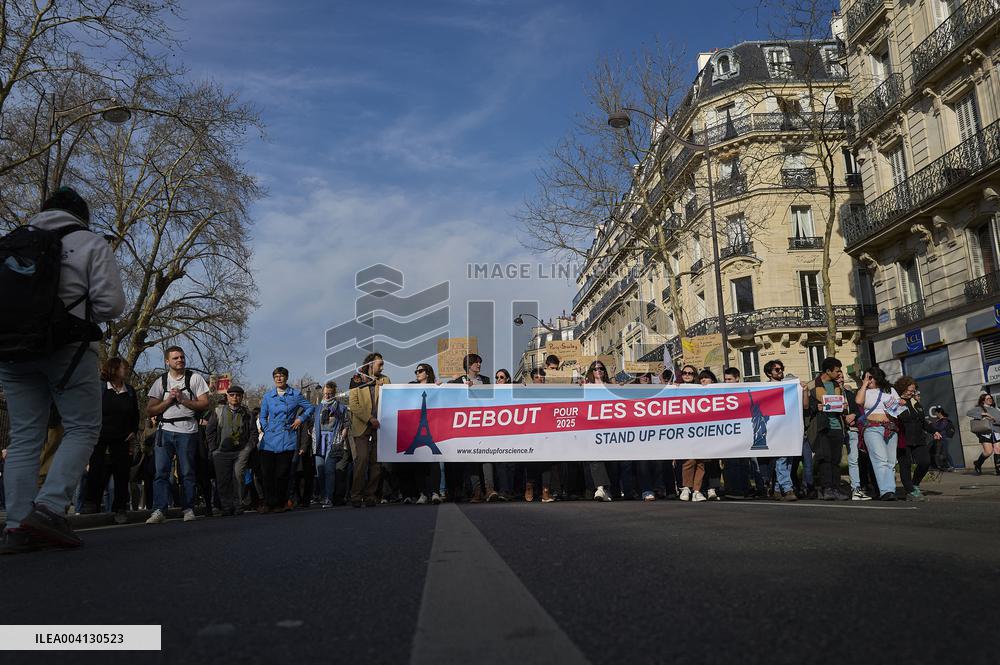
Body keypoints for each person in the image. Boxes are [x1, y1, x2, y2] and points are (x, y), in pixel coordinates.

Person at [0, 187, 125, 553]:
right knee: (83, 426)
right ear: (81, 215)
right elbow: (111, 304)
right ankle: (51, 509)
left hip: (10, 349)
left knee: (24, 437)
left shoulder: (11, 243)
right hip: (68, 349)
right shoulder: (89, 242)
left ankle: (16, 525)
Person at [145, 346, 211, 524]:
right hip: (165, 431)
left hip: (187, 431)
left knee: (187, 472)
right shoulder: (161, 381)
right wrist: (168, 400)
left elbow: (205, 404)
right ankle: (159, 509)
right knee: (161, 472)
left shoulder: (194, 378)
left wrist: (183, 400)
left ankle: (188, 508)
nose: (180, 360)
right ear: (167, 361)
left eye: (182, 357)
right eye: (175, 358)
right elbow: (150, 409)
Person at [81, 357, 140, 523]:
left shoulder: (129, 391)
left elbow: (135, 414)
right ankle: (91, 503)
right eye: (123, 368)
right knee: (96, 470)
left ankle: (120, 508)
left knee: (121, 473)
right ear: (114, 369)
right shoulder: (100, 389)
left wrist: (133, 431)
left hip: (122, 438)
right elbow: (89, 411)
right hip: (100, 437)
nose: (126, 370)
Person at [257, 367, 315, 513]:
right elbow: (262, 416)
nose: (279, 378)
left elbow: (310, 407)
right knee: (267, 472)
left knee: (282, 473)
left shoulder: (295, 394)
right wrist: (265, 427)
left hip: (287, 437)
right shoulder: (268, 396)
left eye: (282, 376)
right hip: (269, 439)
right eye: (276, 376)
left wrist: (300, 419)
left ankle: (280, 502)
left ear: (286, 378)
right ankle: (268, 502)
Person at [205, 385, 257, 516]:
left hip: (240, 452)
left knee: (238, 477)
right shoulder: (218, 411)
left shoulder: (247, 414)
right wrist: (213, 449)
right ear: (227, 396)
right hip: (221, 452)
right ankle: (226, 506)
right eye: (232, 395)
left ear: (242, 397)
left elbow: (253, 434)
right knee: (223, 480)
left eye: (238, 395)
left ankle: (238, 505)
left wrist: (248, 448)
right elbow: (210, 431)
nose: (235, 397)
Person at [348, 353, 390, 507]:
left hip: (381, 426)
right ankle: (356, 495)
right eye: (380, 364)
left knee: (376, 462)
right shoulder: (356, 379)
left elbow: (394, 397)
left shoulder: (385, 380)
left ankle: (371, 495)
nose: (383, 367)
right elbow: (354, 404)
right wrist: (369, 418)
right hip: (362, 426)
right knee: (362, 459)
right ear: (371, 365)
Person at [855, 366, 902, 500]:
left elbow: (898, 406)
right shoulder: (864, 391)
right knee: (880, 459)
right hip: (872, 428)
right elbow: (859, 401)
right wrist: (864, 384)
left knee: (891, 461)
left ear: (876, 377)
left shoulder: (890, 390)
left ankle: (890, 490)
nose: (868, 380)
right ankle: (886, 491)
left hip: (890, 428)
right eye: (866, 377)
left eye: (870, 377)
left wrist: (900, 403)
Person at [807, 358, 849, 500]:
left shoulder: (838, 386)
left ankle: (836, 488)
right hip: (821, 427)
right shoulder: (812, 386)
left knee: (836, 459)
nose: (839, 374)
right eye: (836, 371)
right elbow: (805, 407)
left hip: (837, 426)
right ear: (828, 371)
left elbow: (844, 403)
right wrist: (815, 407)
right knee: (825, 459)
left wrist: (844, 407)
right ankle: (826, 488)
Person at [894, 376, 941, 501]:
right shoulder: (896, 402)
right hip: (903, 439)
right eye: (910, 390)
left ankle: (914, 485)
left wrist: (934, 431)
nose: (912, 392)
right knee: (906, 465)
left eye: (913, 390)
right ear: (903, 388)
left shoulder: (916, 404)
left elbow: (923, 422)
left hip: (919, 438)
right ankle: (910, 491)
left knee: (925, 462)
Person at [313, 381, 350, 507]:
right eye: (325, 393)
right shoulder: (318, 407)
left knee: (329, 469)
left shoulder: (340, 407)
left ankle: (329, 497)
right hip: (319, 440)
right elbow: (313, 423)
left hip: (333, 440)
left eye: (330, 394)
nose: (327, 396)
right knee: (320, 470)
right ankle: (324, 495)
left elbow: (346, 423)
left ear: (334, 393)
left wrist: (343, 435)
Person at [583, 361, 614, 502]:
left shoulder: (610, 386)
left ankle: (606, 489)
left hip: (610, 427)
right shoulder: (586, 386)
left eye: (601, 368)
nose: (598, 371)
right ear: (591, 372)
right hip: (592, 427)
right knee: (595, 457)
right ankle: (600, 488)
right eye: (595, 369)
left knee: (610, 460)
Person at [967, 392, 1000, 476]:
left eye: (991, 398)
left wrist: (994, 419)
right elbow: (969, 413)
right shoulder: (979, 408)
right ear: (983, 401)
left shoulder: (996, 409)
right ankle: (978, 463)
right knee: (988, 452)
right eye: (987, 399)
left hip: (996, 431)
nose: (990, 400)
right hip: (985, 433)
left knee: (997, 449)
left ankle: (998, 469)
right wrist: (983, 414)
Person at [928, 406, 956, 470]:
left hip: (944, 438)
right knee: (939, 452)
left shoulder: (944, 420)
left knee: (945, 452)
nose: (935, 414)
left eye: (936, 413)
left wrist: (931, 424)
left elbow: (940, 428)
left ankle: (952, 466)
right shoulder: (939, 421)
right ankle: (943, 466)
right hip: (939, 438)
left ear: (939, 413)